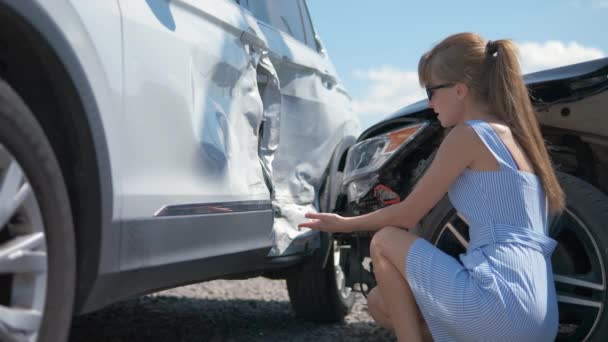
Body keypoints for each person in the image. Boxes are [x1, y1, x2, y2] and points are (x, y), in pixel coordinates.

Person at [299, 32, 564, 342]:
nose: (429, 103)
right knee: (380, 304)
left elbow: (406, 216)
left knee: (384, 240)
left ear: (460, 90)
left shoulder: (469, 134)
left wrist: (343, 224)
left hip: (496, 303)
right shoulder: (518, 139)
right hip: (539, 317)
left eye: (432, 91)